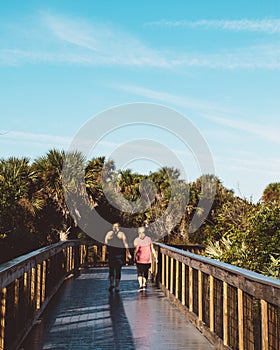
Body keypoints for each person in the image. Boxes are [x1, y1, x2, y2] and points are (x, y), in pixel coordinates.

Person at [105, 222, 132, 292]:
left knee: (112, 270)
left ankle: (112, 284)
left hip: (113, 254)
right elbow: (125, 244)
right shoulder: (121, 234)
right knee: (117, 270)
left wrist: (107, 249)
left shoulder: (109, 233)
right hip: (118, 254)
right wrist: (128, 253)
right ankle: (116, 286)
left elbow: (105, 241)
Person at [134, 226, 157, 292]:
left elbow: (135, 250)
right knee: (143, 272)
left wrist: (155, 257)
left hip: (142, 259)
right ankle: (142, 284)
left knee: (140, 272)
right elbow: (152, 249)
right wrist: (155, 257)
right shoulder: (148, 239)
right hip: (144, 259)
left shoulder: (137, 240)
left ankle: (142, 285)